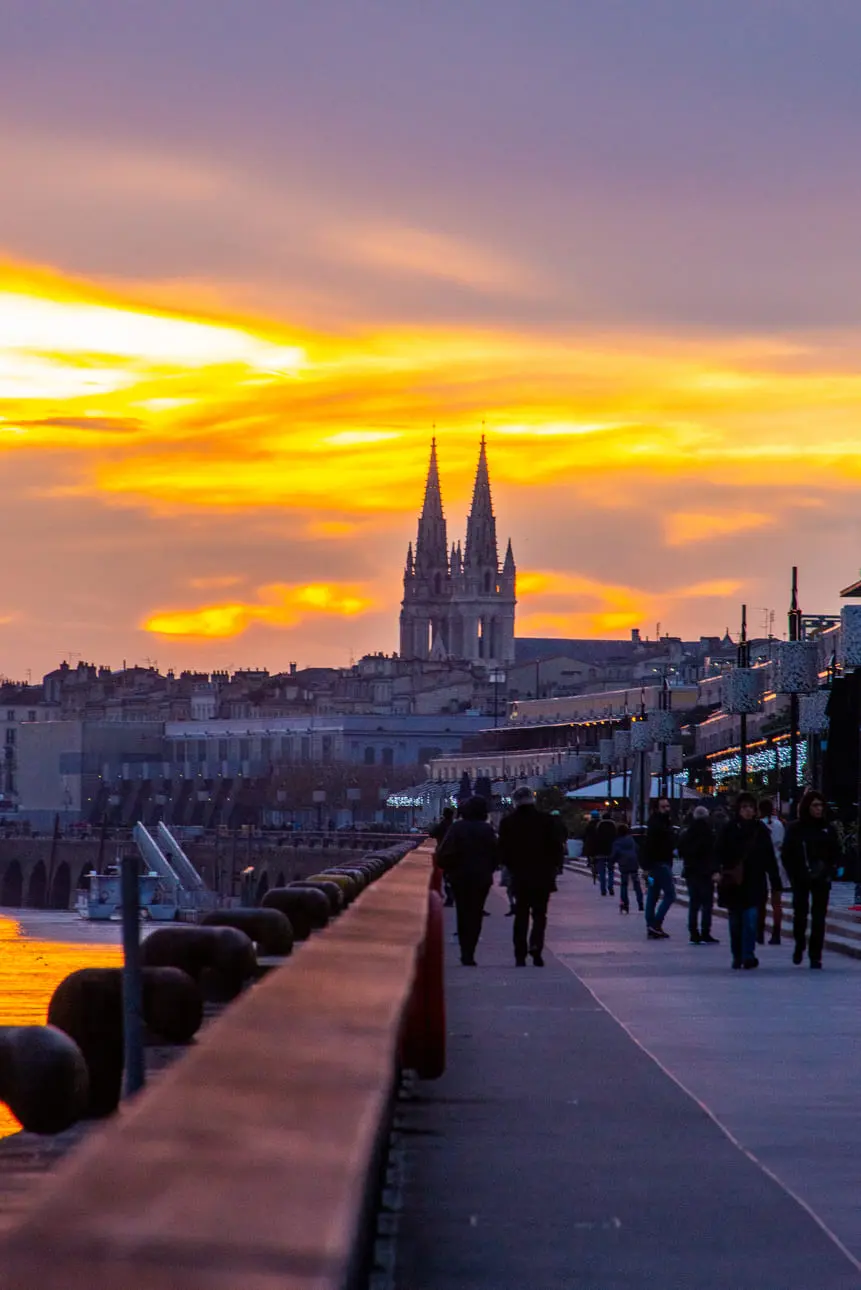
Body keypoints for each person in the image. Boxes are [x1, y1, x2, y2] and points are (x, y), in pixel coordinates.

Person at [498, 786, 564, 967]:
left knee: (521, 914)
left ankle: (520, 954)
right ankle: (536, 947)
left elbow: (502, 851)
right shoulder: (547, 821)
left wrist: (510, 867)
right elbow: (556, 847)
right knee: (540, 914)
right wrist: (555, 867)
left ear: (515, 801)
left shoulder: (508, 823)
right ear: (532, 800)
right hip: (543, 875)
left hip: (519, 876)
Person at [716, 791, 781, 970]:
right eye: (744, 807)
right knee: (736, 922)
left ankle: (748, 954)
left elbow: (769, 857)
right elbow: (718, 851)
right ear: (738, 809)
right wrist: (716, 870)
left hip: (754, 881)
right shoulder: (729, 829)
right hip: (734, 884)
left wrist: (775, 880)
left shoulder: (760, 830)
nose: (747, 810)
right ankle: (737, 954)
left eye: (751, 807)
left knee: (751, 919)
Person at [436, 796, 498, 966]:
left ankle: (465, 951)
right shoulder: (487, 830)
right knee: (476, 913)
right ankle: (471, 950)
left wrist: (449, 869)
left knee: (462, 912)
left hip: (460, 877)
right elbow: (496, 854)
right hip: (482, 877)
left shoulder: (457, 828)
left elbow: (442, 854)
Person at [782, 789, 841, 969]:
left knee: (818, 917)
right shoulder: (795, 828)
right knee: (800, 914)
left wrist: (830, 870)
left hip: (821, 879)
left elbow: (836, 852)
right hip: (801, 877)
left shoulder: (827, 829)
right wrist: (794, 874)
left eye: (821, 805)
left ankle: (816, 955)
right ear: (807, 806)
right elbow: (787, 854)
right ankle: (800, 945)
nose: (819, 809)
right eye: (815, 805)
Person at [679, 805, 719, 944]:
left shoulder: (687, 833)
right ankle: (705, 932)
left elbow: (681, 851)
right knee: (707, 904)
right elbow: (714, 853)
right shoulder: (709, 833)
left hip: (691, 871)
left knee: (694, 904)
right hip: (706, 873)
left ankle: (693, 932)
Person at [642, 797, 677, 939]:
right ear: (657, 809)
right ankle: (656, 923)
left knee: (653, 895)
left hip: (655, 865)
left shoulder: (657, 823)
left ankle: (651, 925)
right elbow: (650, 846)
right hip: (660, 864)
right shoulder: (659, 825)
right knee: (670, 894)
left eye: (668, 806)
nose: (667, 809)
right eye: (663, 807)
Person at [758, 797, 787, 945]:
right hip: (778, 866)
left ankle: (760, 931)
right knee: (777, 903)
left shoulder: (758, 825)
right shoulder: (779, 825)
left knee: (760, 902)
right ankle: (776, 933)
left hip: (762, 867)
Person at [611, 823, 643, 914]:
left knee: (624, 884)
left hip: (624, 864)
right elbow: (637, 849)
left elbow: (614, 854)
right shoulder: (631, 840)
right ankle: (640, 903)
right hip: (633, 863)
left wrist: (611, 862)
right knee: (636, 883)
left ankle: (625, 904)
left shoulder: (617, 842)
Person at [429, 806, 456, 906]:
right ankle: (451, 897)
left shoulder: (441, 825)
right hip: (454, 854)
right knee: (451, 877)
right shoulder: (454, 825)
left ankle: (449, 898)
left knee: (446, 877)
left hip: (443, 854)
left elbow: (432, 834)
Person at [592, 813, 618, 897]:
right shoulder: (614, 827)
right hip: (611, 852)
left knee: (602, 872)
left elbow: (595, 840)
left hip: (600, 852)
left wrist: (594, 852)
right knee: (611, 870)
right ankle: (610, 886)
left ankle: (603, 889)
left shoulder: (598, 827)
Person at [582, 810, 601, 884]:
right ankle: (595, 864)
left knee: (589, 852)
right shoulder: (600, 824)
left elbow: (585, 834)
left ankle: (590, 862)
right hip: (599, 843)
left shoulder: (589, 825)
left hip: (591, 843)